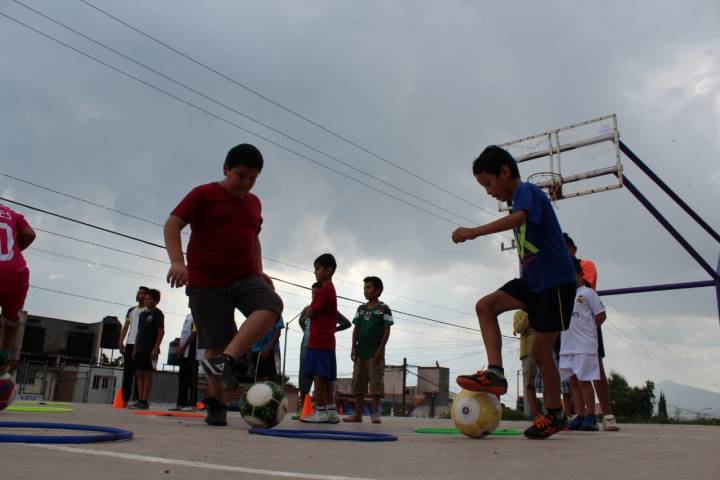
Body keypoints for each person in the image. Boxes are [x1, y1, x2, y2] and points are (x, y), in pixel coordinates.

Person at [452, 145, 576, 439]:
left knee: (541, 352)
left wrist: (474, 231)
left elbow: (519, 217)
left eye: (489, 183)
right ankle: (495, 372)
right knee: (486, 306)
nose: (488, 191)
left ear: (505, 172)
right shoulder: (517, 199)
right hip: (533, 282)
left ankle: (556, 414)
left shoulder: (527, 192)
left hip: (556, 282)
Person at [164, 143, 283, 426]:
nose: (246, 184)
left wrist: (260, 270)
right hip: (206, 281)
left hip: (244, 276)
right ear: (226, 168)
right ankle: (216, 404)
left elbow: (253, 237)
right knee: (215, 342)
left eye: (252, 178)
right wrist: (178, 262)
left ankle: (227, 361)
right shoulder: (203, 194)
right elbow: (172, 224)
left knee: (271, 305)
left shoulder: (254, 203)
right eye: (240, 176)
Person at [564, 233, 619, 431]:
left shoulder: (586, 265)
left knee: (595, 372)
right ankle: (581, 413)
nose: (564, 252)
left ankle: (606, 414)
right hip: (568, 331)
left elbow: (583, 287)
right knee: (573, 376)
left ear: (573, 249)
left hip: (587, 326)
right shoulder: (558, 269)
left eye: (566, 248)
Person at [560, 258, 606, 431]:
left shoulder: (588, 293)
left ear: (579, 274)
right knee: (573, 383)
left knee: (584, 381)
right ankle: (579, 415)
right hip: (567, 346)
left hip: (584, 346)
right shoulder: (564, 294)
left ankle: (591, 416)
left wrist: (588, 330)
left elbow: (601, 315)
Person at [0, 202, 36, 409]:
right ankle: (3, 359)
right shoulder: (11, 212)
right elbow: (30, 234)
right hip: (15, 271)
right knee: (11, 319)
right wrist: (15, 249)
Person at [343, 276, 393, 424]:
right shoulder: (361, 309)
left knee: (376, 385)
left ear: (378, 290)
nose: (365, 290)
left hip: (375, 353)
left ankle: (375, 413)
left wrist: (381, 350)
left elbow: (386, 330)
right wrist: (353, 347)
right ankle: (357, 414)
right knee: (358, 385)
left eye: (369, 287)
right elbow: (356, 328)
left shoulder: (384, 309)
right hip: (361, 353)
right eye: (364, 287)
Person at [297, 282, 351, 413]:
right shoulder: (307, 309)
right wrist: (307, 332)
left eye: (317, 294)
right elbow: (301, 321)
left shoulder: (328, 309)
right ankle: (304, 410)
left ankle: (323, 410)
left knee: (322, 377)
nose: (314, 296)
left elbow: (347, 323)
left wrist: (333, 330)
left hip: (321, 345)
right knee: (304, 381)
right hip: (306, 348)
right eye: (313, 293)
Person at [300, 253, 339, 424]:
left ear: (328, 270)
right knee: (326, 377)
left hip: (319, 340)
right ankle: (331, 411)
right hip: (327, 340)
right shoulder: (331, 289)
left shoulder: (323, 290)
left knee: (318, 376)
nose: (315, 272)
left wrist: (310, 308)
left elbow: (311, 313)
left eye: (317, 269)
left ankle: (321, 410)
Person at [130, 289, 164, 410]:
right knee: (139, 373)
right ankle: (139, 399)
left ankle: (144, 400)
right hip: (140, 348)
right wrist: (134, 349)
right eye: (145, 299)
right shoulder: (143, 314)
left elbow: (161, 332)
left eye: (149, 299)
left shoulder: (157, 313)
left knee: (147, 374)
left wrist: (156, 348)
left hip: (150, 349)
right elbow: (138, 332)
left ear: (156, 301)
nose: (146, 301)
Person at [118, 286, 148, 405]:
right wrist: (121, 341)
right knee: (127, 373)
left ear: (146, 296)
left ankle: (137, 399)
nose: (138, 295)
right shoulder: (131, 310)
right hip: (130, 345)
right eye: (138, 293)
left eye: (141, 293)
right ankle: (124, 399)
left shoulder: (147, 310)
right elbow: (126, 326)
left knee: (139, 373)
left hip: (141, 345)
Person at [513, 310, 539, 419]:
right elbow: (518, 328)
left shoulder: (541, 309)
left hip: (545, 350)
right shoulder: (519, 313)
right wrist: (529, 314)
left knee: (547, 384)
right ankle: (534, 415)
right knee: (529, 384)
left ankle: (550, 414)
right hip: (527, 353)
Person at [170, 312, 198, 411]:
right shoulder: (188, 316)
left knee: (192, 379)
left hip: (191, 351)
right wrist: (179, 346)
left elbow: (195, 332)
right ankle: (180, 403)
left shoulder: (197, 314)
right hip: (183, 352)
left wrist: (185, 346)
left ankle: (192, 404)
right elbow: (184, 333)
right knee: (182, 378)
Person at [248, 315, 284, 382]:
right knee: (257, 376)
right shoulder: (254, 312)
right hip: (255, 349)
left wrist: (268, 349)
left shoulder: (276, 312)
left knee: (271, 377)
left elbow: (277, 333)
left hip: (272, 350)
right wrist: (249, 350)